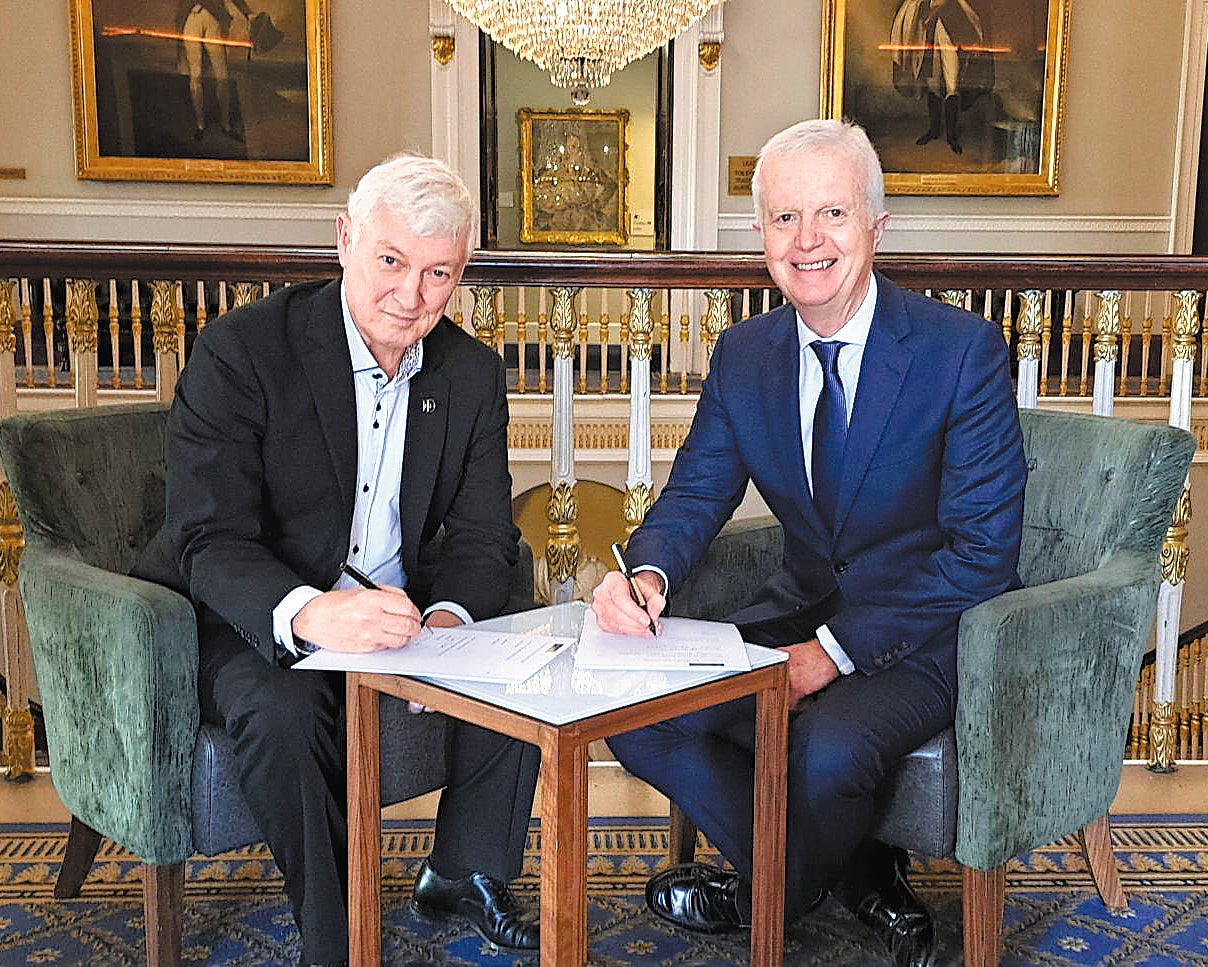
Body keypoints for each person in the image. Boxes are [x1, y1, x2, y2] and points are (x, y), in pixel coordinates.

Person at [591, 119, 1026, 967]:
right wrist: (644, 575)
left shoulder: (957, 352)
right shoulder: (745, 352)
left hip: (922, 634)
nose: (808, 240)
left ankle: (772, 888)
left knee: (825, 751)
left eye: (831, 212)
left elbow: (982, 553)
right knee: (632, 712)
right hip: (793, 607)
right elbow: (696, 493)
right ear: (761, 236)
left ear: (875, 224)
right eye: (785, 218)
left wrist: (831, 653)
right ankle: (830, 874)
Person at [134, 153, 541, 967]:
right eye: (391, 261)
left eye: (439, 273)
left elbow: (481, 534)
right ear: (345, 239)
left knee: (514, 630)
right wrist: (312, 613)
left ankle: (464, 870)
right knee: (286, 710)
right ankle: (336, 933)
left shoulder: (470, 373)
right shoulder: (243, 351)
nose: (412, 296)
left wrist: (448, 623)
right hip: (252, 615)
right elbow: (207, 534)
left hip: (401, 613)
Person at [890, 0, 994, 154]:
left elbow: (971, 10)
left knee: (952, 84)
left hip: (953, 31)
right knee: (933, 83)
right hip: (930, 33)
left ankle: (952, 137)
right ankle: (933, 129)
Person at [178, 0, 252, 142]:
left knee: (222, 75)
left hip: (213, 18)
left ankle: (226, 124)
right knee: (196, 74)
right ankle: (200, 124)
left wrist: (248, 13)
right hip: (191, 17)